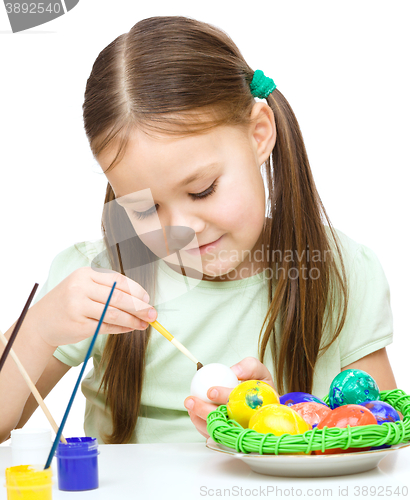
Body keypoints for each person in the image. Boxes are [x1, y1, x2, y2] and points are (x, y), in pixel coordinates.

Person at [0, 16, 397, 445]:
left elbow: (382, 433)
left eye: (203, 190)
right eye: (145, 208)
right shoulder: (98, 277)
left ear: (259, 134)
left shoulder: (341, 270)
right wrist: (38, 329)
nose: (181, 230)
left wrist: (281, 422)